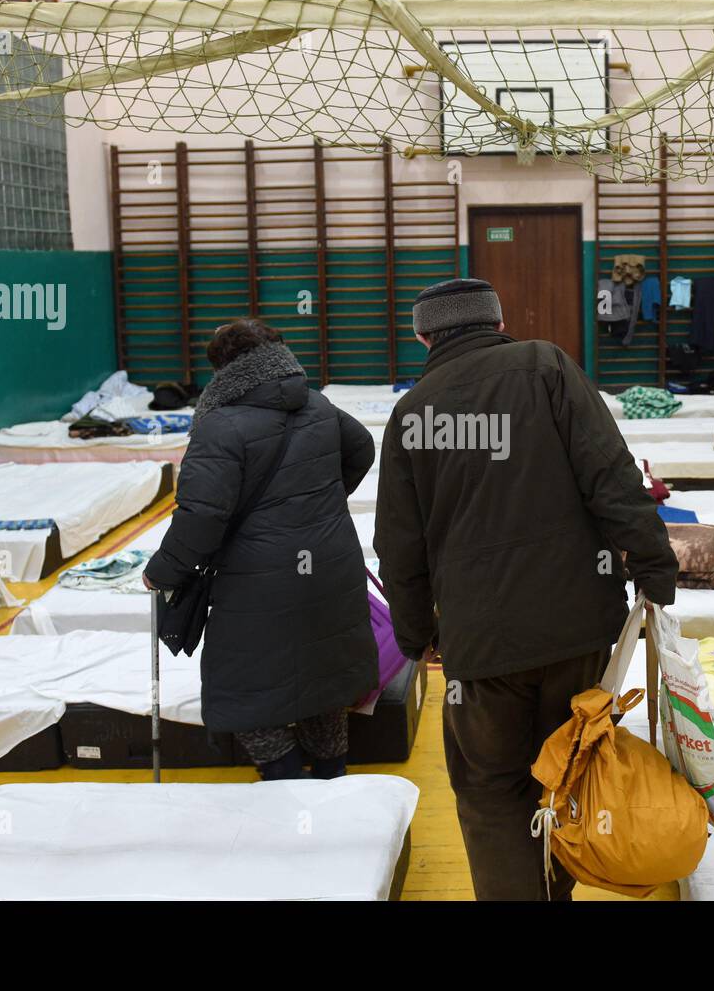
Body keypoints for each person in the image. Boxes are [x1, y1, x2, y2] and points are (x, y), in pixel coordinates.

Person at [373, 278, 680, 901]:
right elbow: (611, 473)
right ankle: (558, 890)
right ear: (497, 320)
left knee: (489, 790)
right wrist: (654, 568)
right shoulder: (545, 365)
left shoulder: (412, 413)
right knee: (567, 771)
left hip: (478, 645)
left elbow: (399, 547)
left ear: (422, 335)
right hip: (577, 625)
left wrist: (417, 636)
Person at [143, 319, 378, 781]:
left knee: (249, 684)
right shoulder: (318, 404)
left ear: (223, 369)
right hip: (330, 564)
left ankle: (286, 785)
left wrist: (162, 571)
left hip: (258, 580)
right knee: (322, 673)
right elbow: (363, 449)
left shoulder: (220, 425)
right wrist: (319, 508)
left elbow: (201, 517)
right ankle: (332, 787)